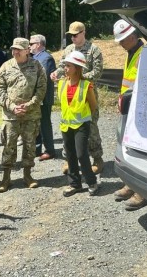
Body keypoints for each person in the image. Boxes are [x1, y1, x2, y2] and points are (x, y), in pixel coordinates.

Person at [51, 21, 104, 174]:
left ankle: (97, 159)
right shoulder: (68, 49)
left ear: (83, 33)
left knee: (91, 126)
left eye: (75, 35)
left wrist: (79, 78)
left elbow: (98, 72)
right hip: (70, 94)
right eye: (71, 35)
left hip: (87, 93)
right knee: (69, 126)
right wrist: (56, 73)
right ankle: (70, 160)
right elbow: (62, 67)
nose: (73, 38)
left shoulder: (94, 50)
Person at [0, 38, 46, 192]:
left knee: (30, 145)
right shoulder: (5, 66)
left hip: (31, 115)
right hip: (11, 115)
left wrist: (29, 105)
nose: (15, 52)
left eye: (18, 49)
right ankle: (6, 177)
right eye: (13, 49)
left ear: (27, 50)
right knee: (9, 145)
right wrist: (12, 107)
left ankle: (28, 175)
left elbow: (42, 88)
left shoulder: (36, 66)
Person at [111, 20, 147, 210]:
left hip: (139, 111)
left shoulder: (145, 55)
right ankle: (131, 184)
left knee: (139, 150)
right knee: (127, 149)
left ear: (132, 37)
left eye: (122, 41)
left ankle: (142, 192)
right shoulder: (131, 53)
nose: (120, 44)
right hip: (128, 108)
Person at [59, 51, 99, 197]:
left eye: (68, 66)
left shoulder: (86, 85)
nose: (65, 68)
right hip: (66, 125)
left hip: (81, 125)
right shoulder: (62, 84)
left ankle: (92, 182)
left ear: (77, 67)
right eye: (65, 66)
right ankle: (74, 184)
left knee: (82, 154)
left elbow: (93, 106)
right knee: (70, 155)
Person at [29, 34, 56, 161]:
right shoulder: (34, 57)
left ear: (39, 44)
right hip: (36, 97)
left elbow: (41, 78)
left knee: (44, 124)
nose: (29, 46)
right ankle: (37, 149)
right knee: (36, 124)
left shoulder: (46, 58)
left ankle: (50, 150)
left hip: (43, 98)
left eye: (31, 43)